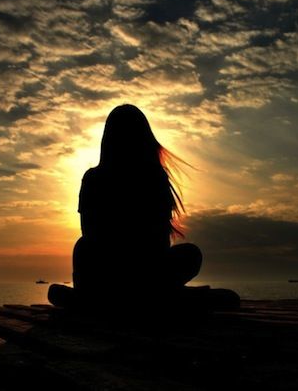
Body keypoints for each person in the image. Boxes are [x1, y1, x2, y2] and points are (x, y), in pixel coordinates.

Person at [48, 104, 204, 308]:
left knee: (81, 253)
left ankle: (104, 300)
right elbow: (158, 240)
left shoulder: (147, 178)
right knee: (190, 255)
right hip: (130, 273)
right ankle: (157, 296)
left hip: (119, 276)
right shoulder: (149, 178)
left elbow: (90, 231)